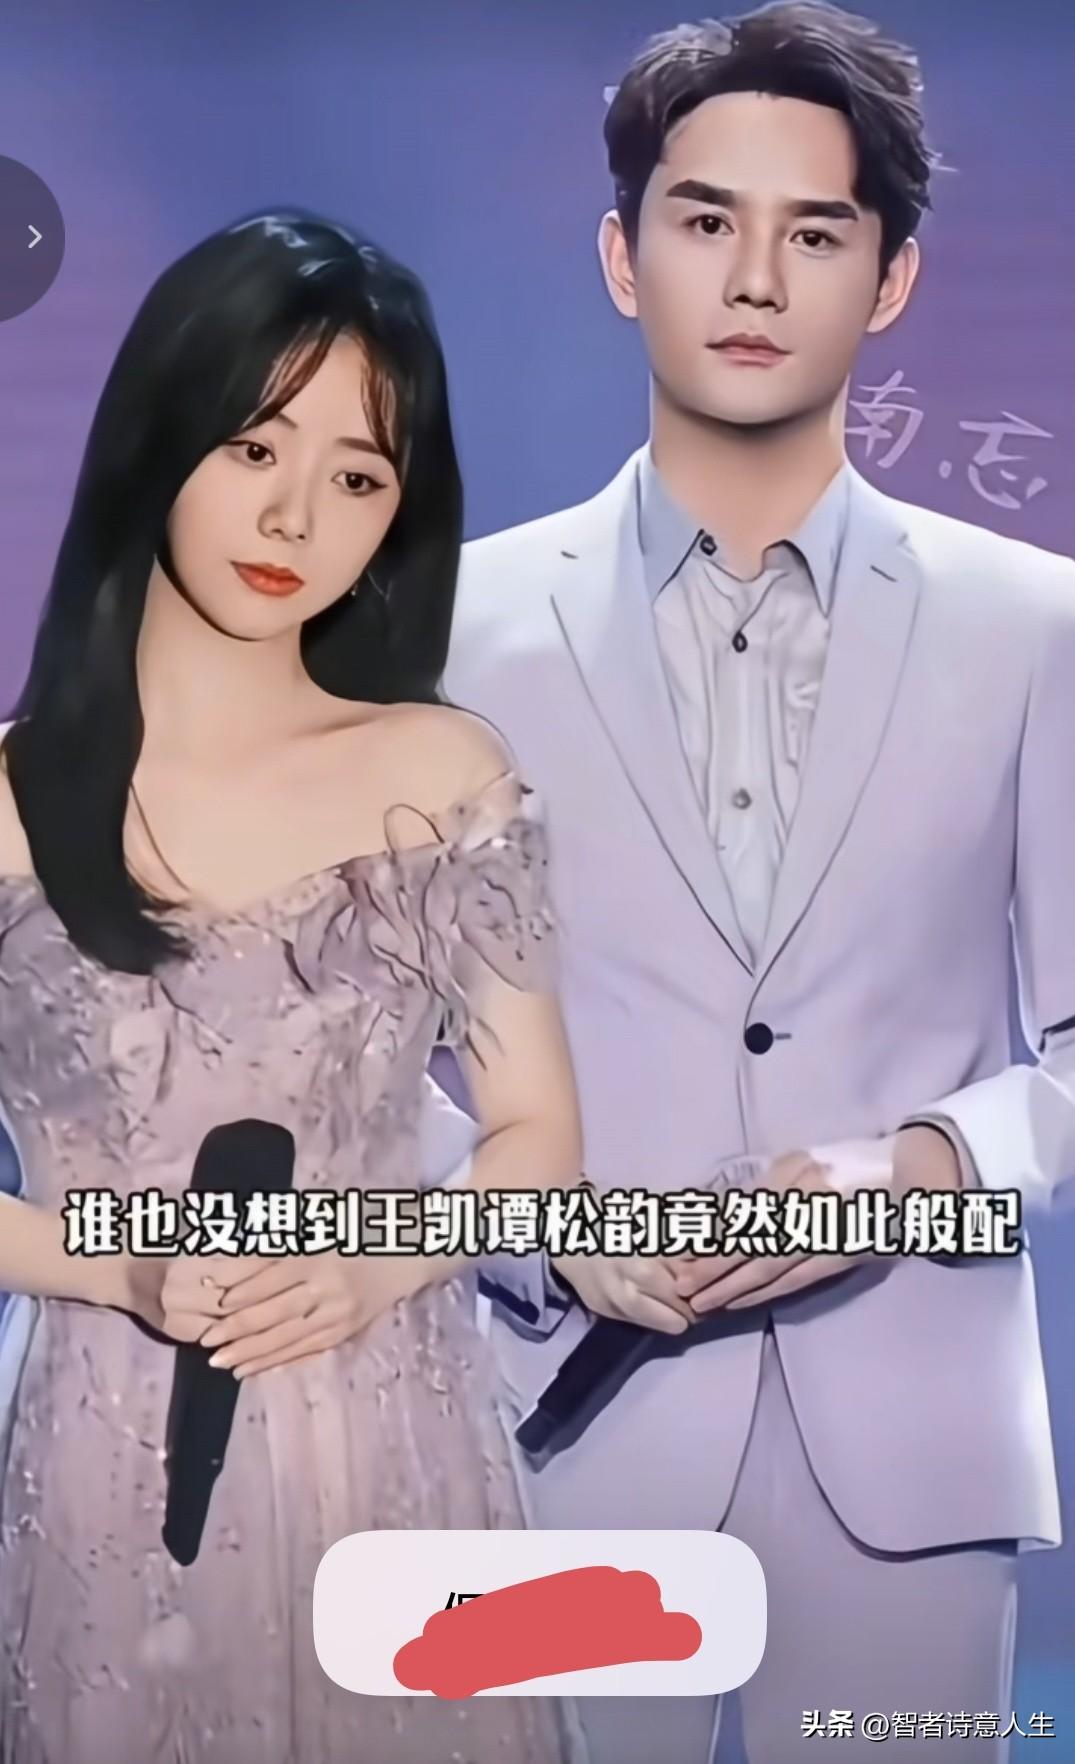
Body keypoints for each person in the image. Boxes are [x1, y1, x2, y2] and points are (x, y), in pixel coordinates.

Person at [443, 5, 1075, 1761]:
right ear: (621, 256)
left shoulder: (1039, 626)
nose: (753, 278)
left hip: (918, 1454)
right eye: (706, 218)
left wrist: (914, 1167)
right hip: (556, 1432)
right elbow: (353, 1057)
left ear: (891, 282)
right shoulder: (447, 631)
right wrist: (546, 1224)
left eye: (816, 233)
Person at [0, 210, 587, 1764]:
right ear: (160, 433)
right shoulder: (7, 799)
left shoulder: (440, 775)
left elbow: (537, 1136)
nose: (295, 517)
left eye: (358, 478)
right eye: (256, 447)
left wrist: (377, 1264)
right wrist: (112, 1273)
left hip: (390, 1435)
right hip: (102, 1457)